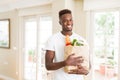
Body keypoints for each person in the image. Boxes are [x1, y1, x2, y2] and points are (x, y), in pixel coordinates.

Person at [45, 9, 90, 80]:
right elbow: (48, 66)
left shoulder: (82, 40)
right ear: (60, 22)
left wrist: (87, 72)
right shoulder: (52, 39)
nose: (69, 23)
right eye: (65, 20)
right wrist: (65, 63)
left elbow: (88, 64)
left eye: (70, 20)